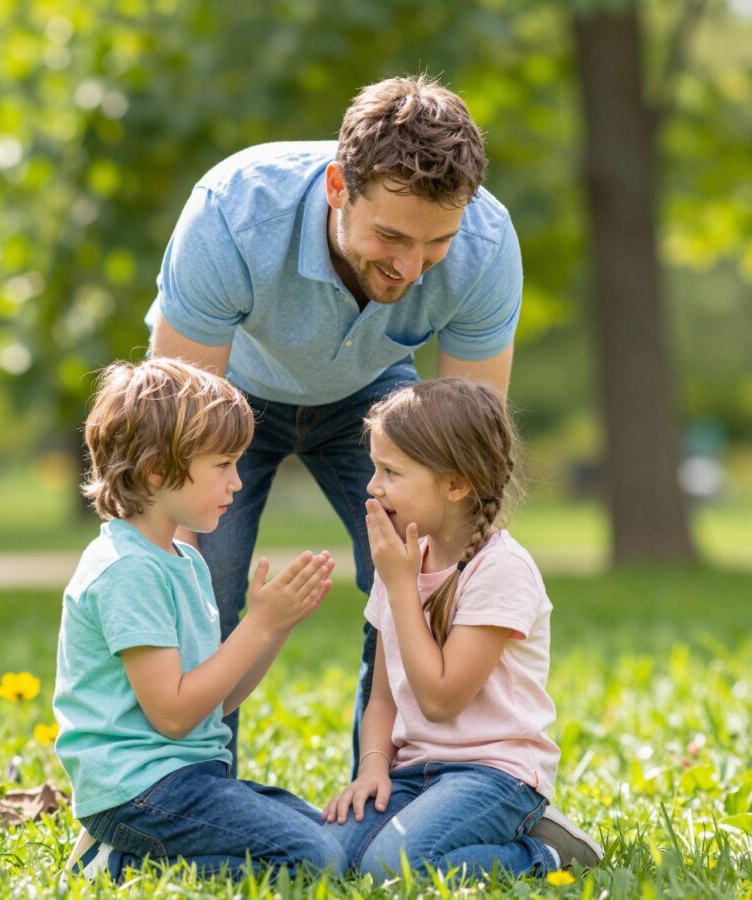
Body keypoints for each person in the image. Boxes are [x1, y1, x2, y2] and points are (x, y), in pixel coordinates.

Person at [146, 73, 595, 854]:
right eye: (391, 237)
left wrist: (442, 563)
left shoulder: (486, 246)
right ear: (337, 187)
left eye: (436, 243)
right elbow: (174, 441)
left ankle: (397, 794)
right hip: (231, 393)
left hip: (374, 394)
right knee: (199, 574)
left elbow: (470, 464)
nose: (413, 266)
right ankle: (193, 797)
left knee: (421, 557)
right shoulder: (232, 212)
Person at [54, 358, 345, 880]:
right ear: (158, 471)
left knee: (331, 837)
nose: (237, 482)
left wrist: (274, 626)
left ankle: (133, 858)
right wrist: (255, 625)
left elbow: (217, 700)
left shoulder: (182, 562)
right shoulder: (128, 571)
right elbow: (173, 714)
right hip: (139, 791)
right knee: (314, 860)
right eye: (223, 466)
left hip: (189, 779)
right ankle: (118, 864)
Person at [322, 379, 602, 878]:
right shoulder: (403, 563)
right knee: (326, 856)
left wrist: (401, 586)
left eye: (391, 472)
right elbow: (382, 698)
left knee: (390, 869)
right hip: (413, 771)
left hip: (495, 776)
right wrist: (371, 769)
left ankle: (551, 853)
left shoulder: (501, 572)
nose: (372, 486)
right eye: (374, 468)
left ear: (455, 485)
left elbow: (440, 700)